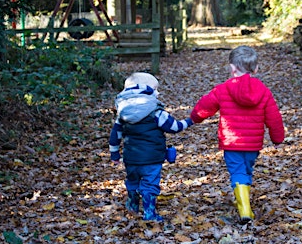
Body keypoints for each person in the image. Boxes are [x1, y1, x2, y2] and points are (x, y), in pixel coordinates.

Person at [189, 46, 285, 223]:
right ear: (255, 69)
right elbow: (274, 117)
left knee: (237, 172)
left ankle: (245, 210)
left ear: (232, 68)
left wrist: (194, 118)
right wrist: (277, 138)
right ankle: (245, 203)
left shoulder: (222, 89)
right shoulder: (263, 91)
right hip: (253, 143)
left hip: (232, 143)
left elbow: (205, 106)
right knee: (246, 170)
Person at [109, 72, 194, 222]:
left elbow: (115, 136)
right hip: (152, 158)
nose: (158, 92)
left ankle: (133, 204)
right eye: (155, 89)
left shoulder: (122, 113)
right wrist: (189, 121)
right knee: (150, 183)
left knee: (132, 180)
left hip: (130, 158)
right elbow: (174, 127)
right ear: (146, 90)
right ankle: (149, 212)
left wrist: (115, 154)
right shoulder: (156, 112)